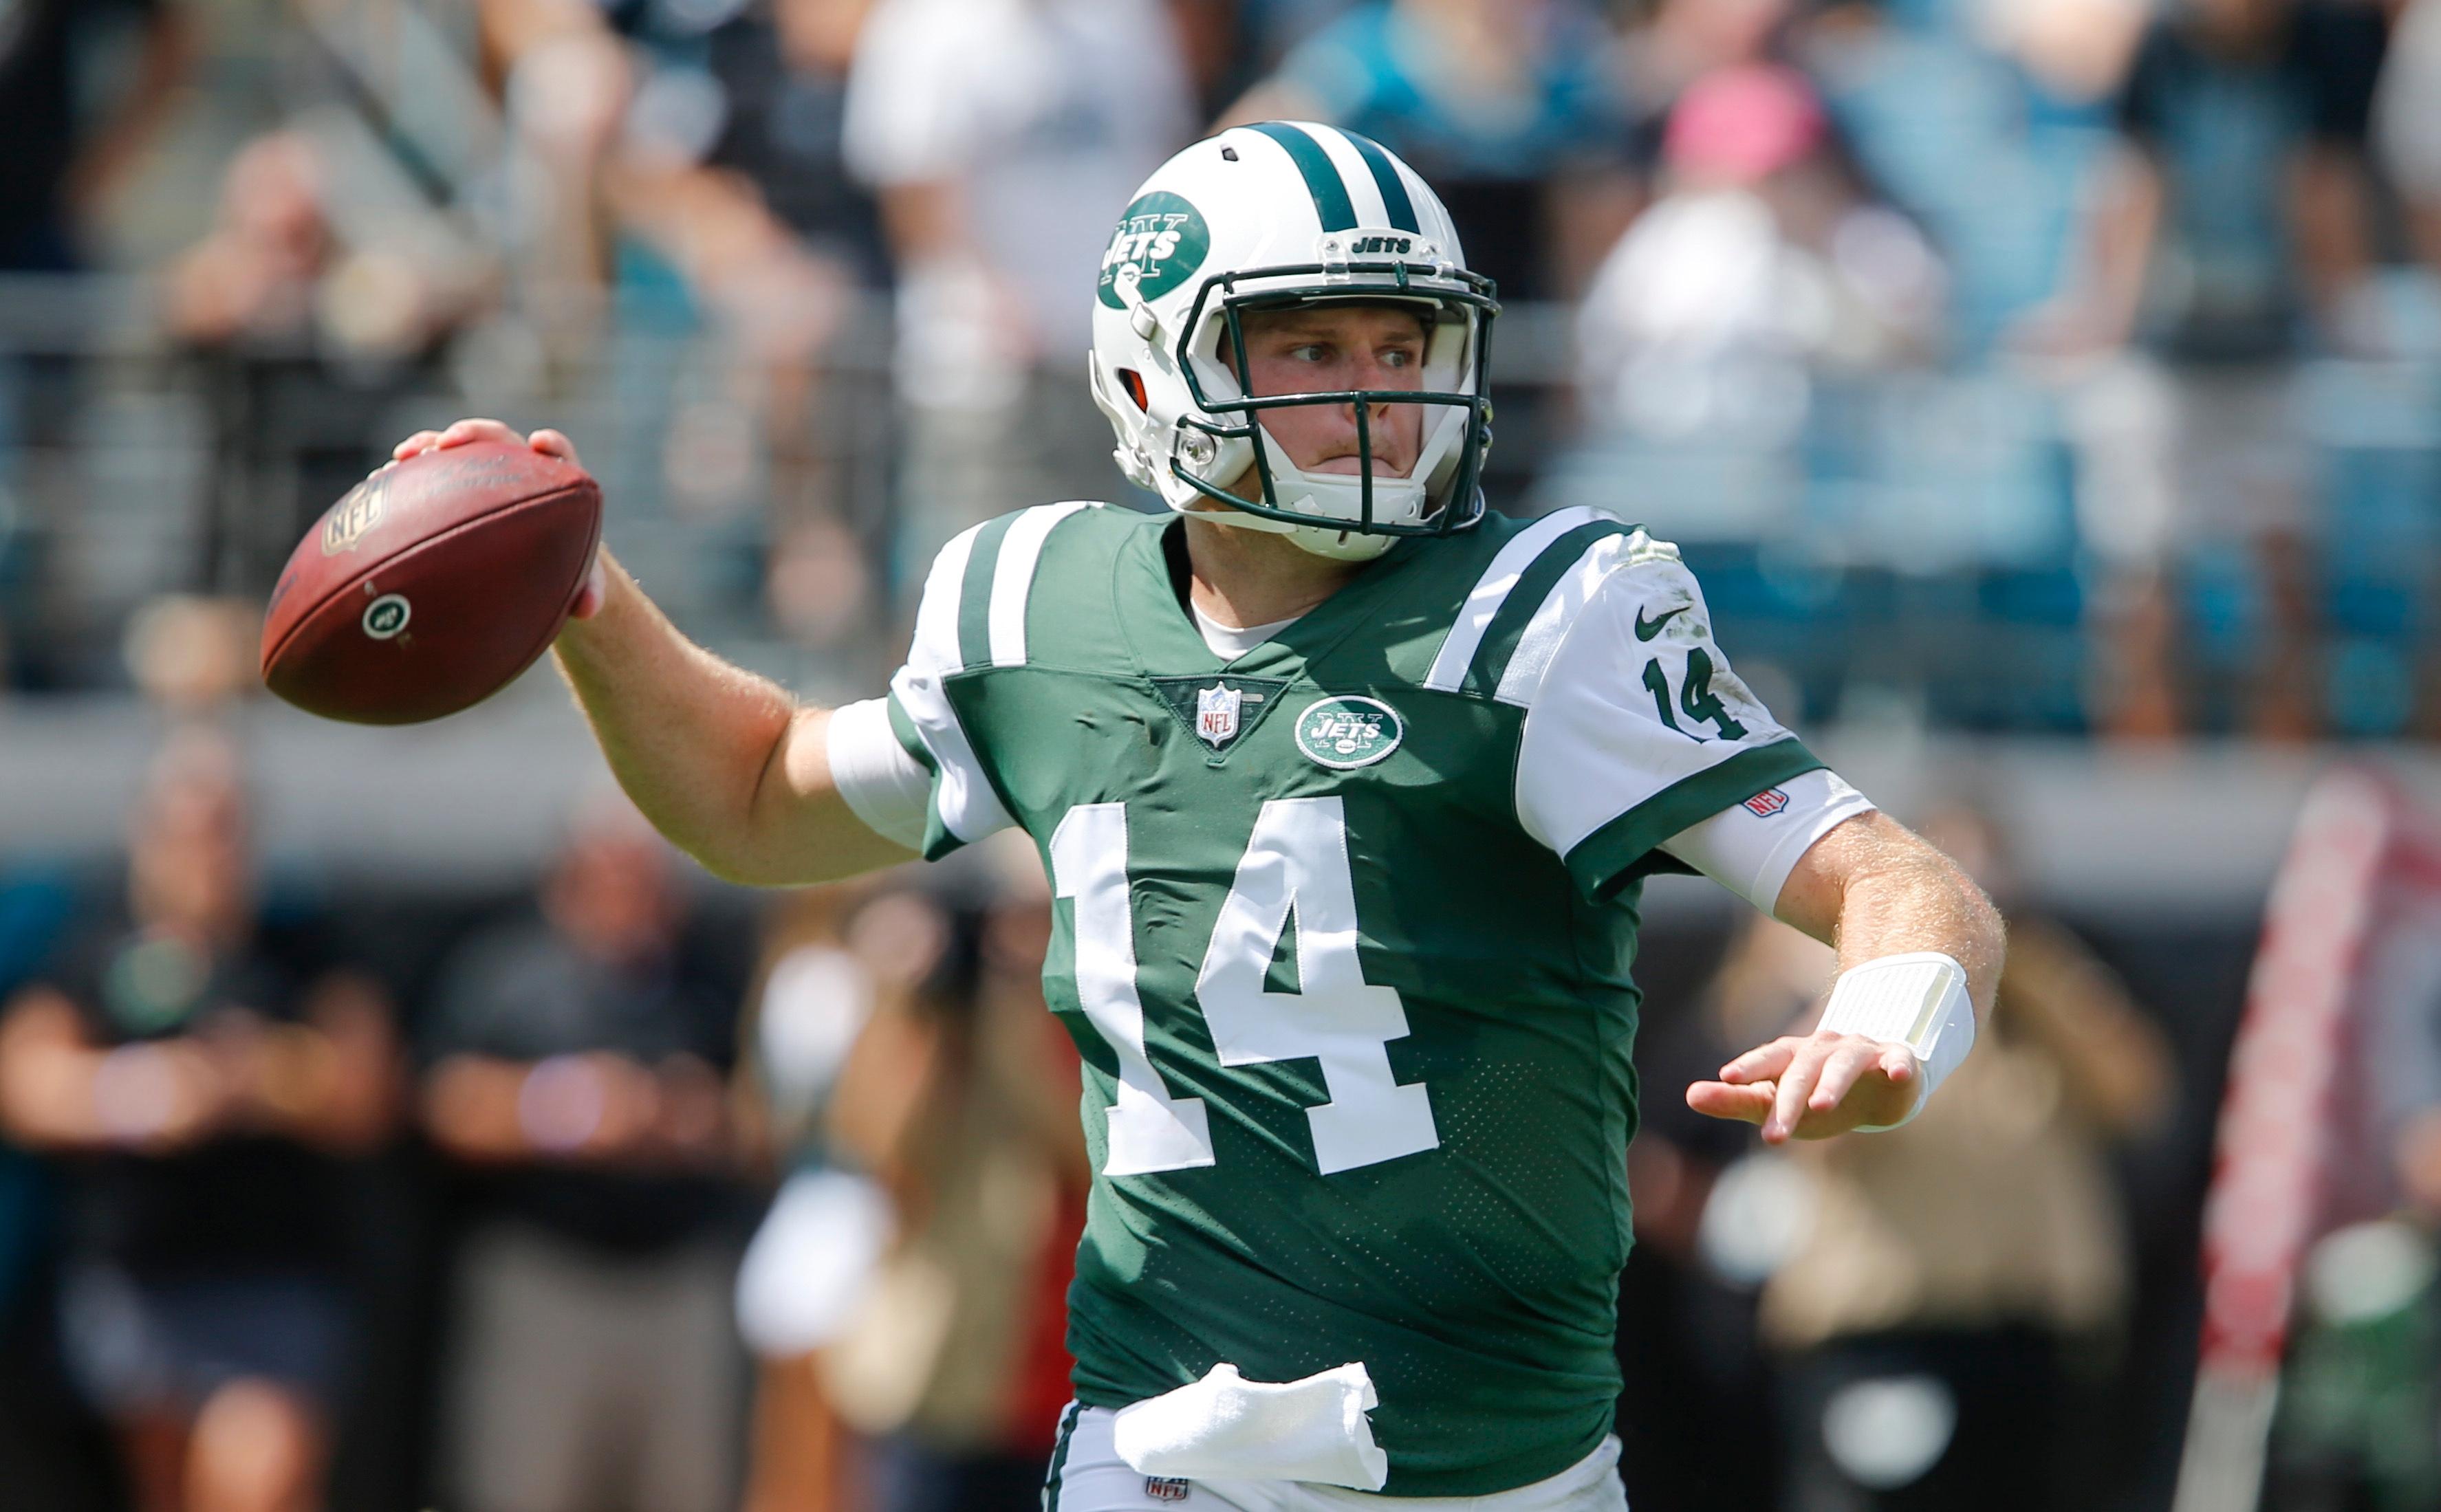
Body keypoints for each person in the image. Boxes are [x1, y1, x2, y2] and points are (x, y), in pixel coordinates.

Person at [388, 118, 2006, 1504]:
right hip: (1156, 1436)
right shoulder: (1036, 606)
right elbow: (758, 799)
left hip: (1494, 1461)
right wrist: (589, 602)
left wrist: (1889, 1014)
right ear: (1154, 373)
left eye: (1405, 345)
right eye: (1311, 346)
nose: (1379, 393)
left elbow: (1898, 875)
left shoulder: (1552, 616)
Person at [0, 732, 398, 1512]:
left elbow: (368, 1091)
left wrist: (258, 1078)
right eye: (187, 826)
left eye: (224, 827)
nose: (205, 848)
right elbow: (27, 1085)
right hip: (140, 1280)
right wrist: (141, 1093)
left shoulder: (300, 946)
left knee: (257, 1479)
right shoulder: (95, 943)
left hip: (275, 1278)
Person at [417, 794, 756, 1512]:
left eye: (645, 875)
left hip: (676, 1277)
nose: (630, 892)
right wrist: (568, 1109)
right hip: (549, 1276)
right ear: (570, 878)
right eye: (612, 871)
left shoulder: (707, 983)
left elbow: (755, 1117)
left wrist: (681, 1118)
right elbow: (445, 1106)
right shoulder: (509, 974)